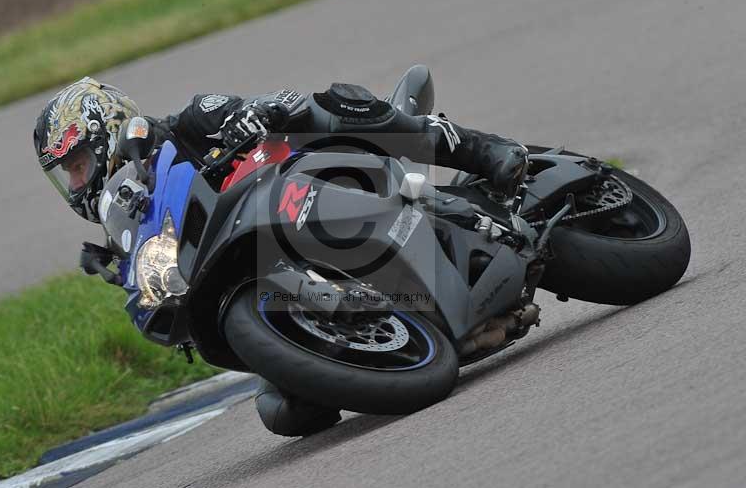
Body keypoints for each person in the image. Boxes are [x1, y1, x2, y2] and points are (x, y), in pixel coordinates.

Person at [33, 75, 529, 436]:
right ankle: (373, 336)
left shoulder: (187, 123)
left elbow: (277, 103)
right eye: (66, 177)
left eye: (78, 165)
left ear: (111, 129)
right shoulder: (129, 218)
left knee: (336, 102)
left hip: (310, 184)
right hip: (251, 268)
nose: (76, 184)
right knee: (286, 413)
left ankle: (480, 150)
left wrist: (254, 115)